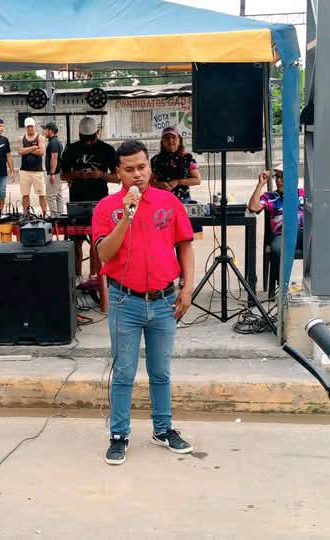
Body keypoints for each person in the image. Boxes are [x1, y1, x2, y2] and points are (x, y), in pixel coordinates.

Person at [92, 139, 195, 466]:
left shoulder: (169, 202)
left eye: (141, 167)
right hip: (126, 301)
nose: (137, 174)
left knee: (160, 370)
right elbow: (103, 253)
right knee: (124, 371)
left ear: (150, 167)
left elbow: (185, 245)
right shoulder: (106, 208)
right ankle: (119, 434)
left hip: (163, 301)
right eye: (129, 169)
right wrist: (126, 216)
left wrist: (188, 288)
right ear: (118, 172)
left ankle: (163, 428)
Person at [61, 116, 118, 280]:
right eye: (84, 139)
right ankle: (77, 276)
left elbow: (118, 177)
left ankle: (95, 276)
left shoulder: (107, 150)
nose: (87, 142)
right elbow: (63, 175)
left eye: (91, 139)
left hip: (100, 202)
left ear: (97, 133)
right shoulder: (71, 149)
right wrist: (77, 174)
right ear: (79, 135)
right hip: (77, 202)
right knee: (75, 242)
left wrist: (101, 175)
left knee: (97, 240)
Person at [150, 126, 202, 285]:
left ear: (179, 140)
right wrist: (160, 185)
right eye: (167, 138)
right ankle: (166, 276)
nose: (171, 141)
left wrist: (178, 182)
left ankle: (183, 276)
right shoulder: (155, 160)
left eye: (174, 138)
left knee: (182, 241)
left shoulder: (187, 158)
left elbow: (197, 180)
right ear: (162, 141)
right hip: (161, 205)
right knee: (163, 242)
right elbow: (149, 182)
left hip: (182, 203)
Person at [247, 163, 304, 283]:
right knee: (277, 249)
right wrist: (260, 184)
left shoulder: (302, 193)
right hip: (281, 235)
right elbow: (253, 207)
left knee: (320, 245)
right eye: (277, 177)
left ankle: (316, 285)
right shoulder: (270, 196)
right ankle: (283, 284)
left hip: (302, 233)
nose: (279, 180)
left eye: (282, 177)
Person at [18, 117, 48, 214]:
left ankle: (44, 213)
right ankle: (26, 213)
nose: (30, 128)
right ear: (25, 127)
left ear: (35, 126)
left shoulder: (40, 137)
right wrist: (33, 147)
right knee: (25, 194)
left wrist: (26, 149)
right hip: (24, 171)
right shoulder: (21, 138)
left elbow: (41, 152)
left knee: (41, 194)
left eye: (31, 126)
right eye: (28, 127)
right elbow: (20, 151)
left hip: (37, 171)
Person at [43, 122, 65, 215]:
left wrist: (52, 173)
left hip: (54, 173)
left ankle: (54, 216)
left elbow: (54, 158)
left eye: (45, 130)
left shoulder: (53, 142)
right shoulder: (56, 141)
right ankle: (60, 215)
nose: (44, 132)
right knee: (58, 195)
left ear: (50, 131)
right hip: (57, 173)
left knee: (50, 196)